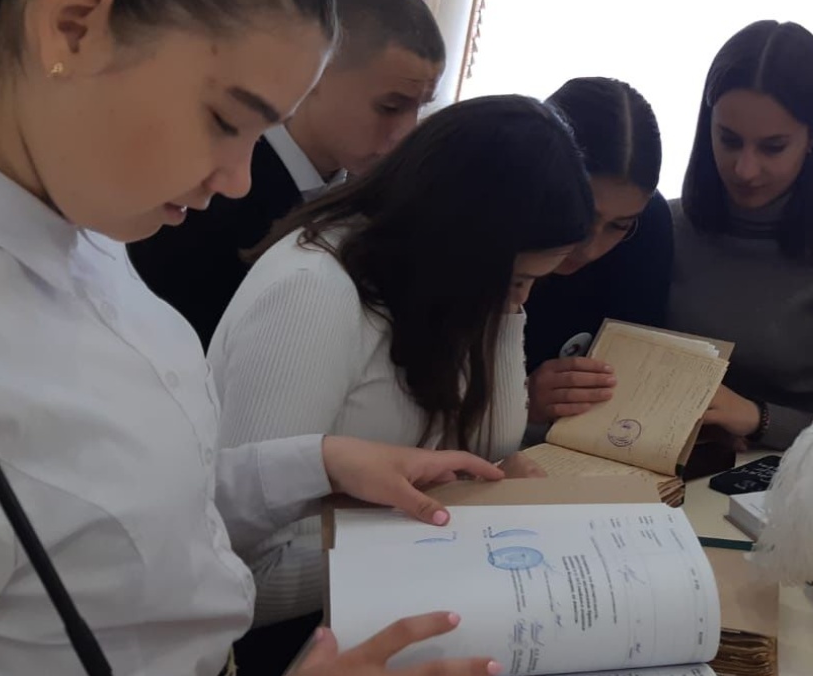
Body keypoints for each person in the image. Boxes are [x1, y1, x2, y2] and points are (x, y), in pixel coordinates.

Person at [0, 0, 500, 676]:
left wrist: (319, 462)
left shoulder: (81, 221)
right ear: (74, 26)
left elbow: (120, 506)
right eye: (225, 120)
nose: (240, 180)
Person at [210, 95, 593, 643]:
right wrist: (459, 527)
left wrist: (507, 314)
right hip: (290, 643)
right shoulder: (313, 293)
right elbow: (242, 578)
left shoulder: (437, 286)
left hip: (393, 601)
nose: (520, 300)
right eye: (514, 281)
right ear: (456, 238)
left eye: (534, 282)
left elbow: (494, 444)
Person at [129, 0, 444, 346]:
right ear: (316, 73)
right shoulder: (200, 198)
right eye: (390, 107)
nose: (407, 132)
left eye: (420, 107)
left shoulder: (379, 201)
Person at [667, 19, 813, 450]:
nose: (745, 169)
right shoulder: (656, 229)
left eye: (772, 147)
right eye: (729, 140)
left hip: (787, 475)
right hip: (643, 464)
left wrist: (758, 418)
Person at [522, 78, 673, 436]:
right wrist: (516, 401)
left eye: (619, 226)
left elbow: (629, 376)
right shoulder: (478, 227)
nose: (589, 248)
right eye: (580, 215)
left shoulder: (648, 225)